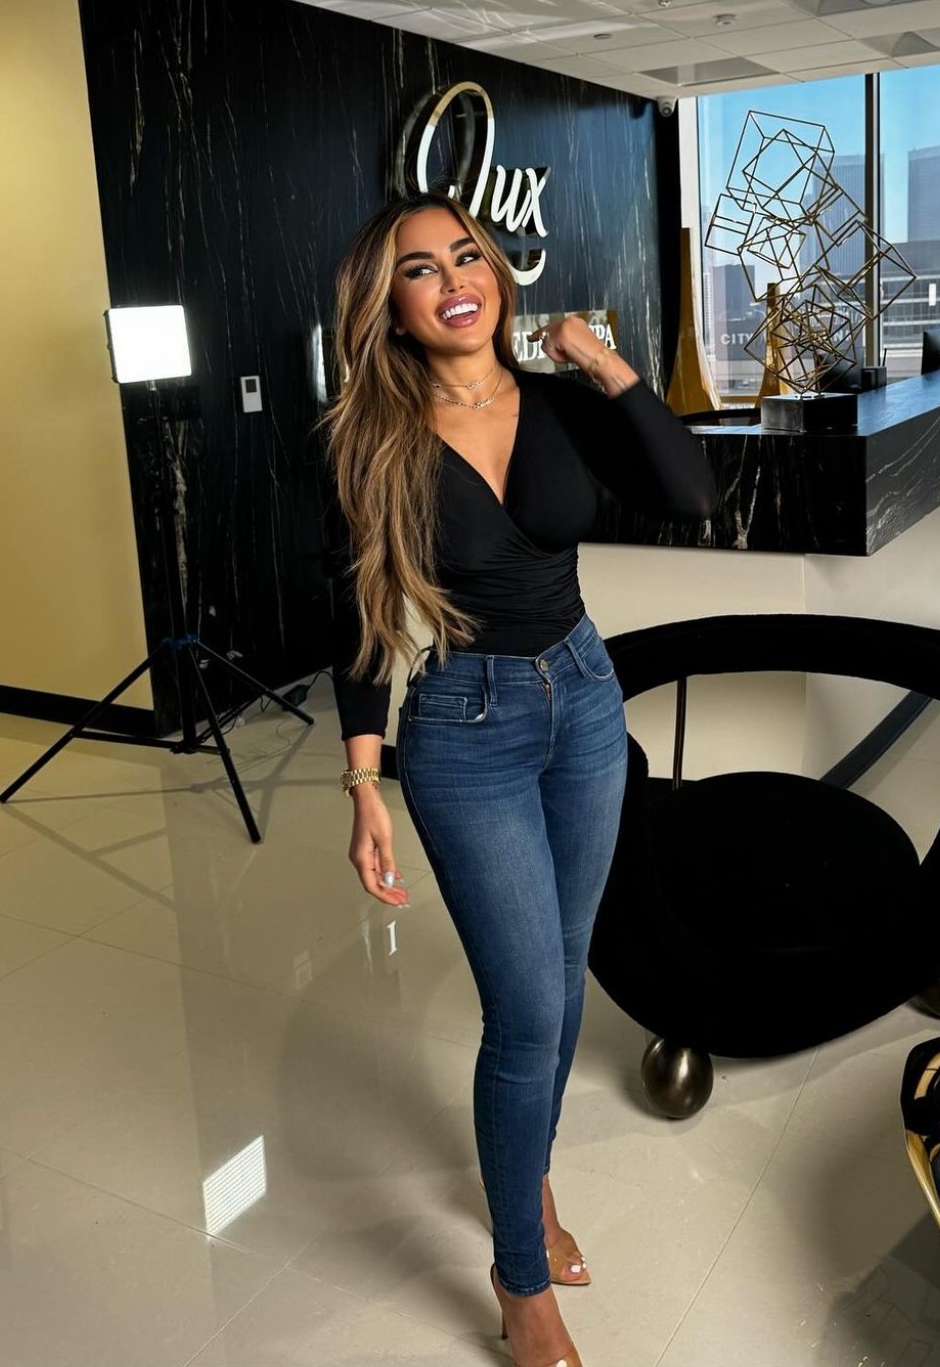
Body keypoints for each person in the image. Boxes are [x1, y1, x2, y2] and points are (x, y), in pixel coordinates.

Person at [318, 192, 715, 1367]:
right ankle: (519, 1275)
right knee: (527, 1013)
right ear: (388, 307)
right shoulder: (368, 438)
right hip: (464, 724)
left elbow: (691, 493)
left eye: (467, 255)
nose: (453, 280)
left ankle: (530, 1184)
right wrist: (363, 784)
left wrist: (606, 364)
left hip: (583, 697)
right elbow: (351, 617)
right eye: (419, 269)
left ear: (495, 273)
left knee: (566, 964)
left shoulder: (559, 404)